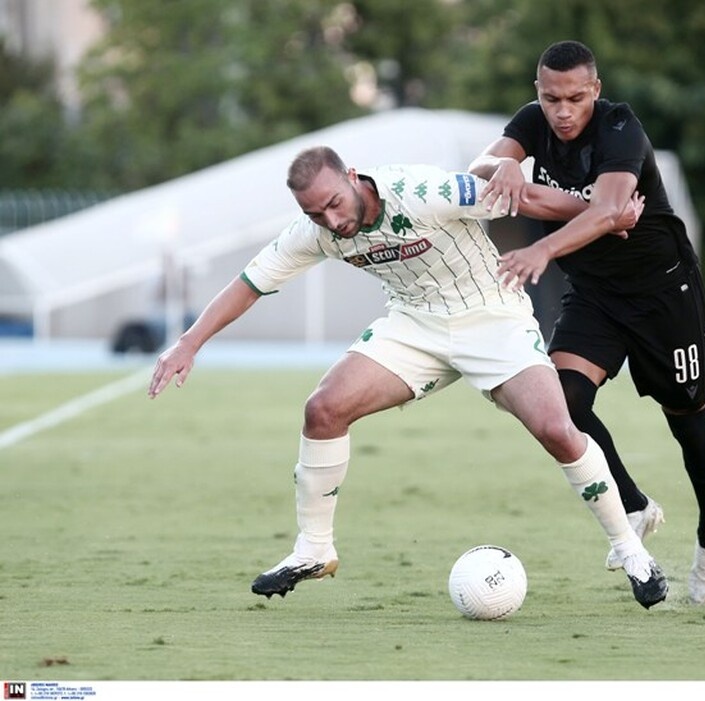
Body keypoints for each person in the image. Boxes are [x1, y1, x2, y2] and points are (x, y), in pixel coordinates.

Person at [148, 146, 669, 610]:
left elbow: (525, 199)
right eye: (315, 213)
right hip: (414, 324)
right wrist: (188, 343)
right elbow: (249, 283)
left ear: (352, 176)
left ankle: (631, 551)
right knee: (322, 409)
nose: (331, 220)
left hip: (492, 317)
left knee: (558, 430)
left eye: (334, 203)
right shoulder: (317, 234)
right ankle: (314, 550)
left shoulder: (424, 190)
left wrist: (606, 214)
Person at [469, 40, 705, 605]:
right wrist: (509, 164)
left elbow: (612, 211)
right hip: (596, 295)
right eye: (551, 98)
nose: (562, 111)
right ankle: (634, 505)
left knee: (687, 420)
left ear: (596, 91)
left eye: (574, 98)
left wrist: (543, 244)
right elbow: (479, 169)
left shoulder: (619, 127)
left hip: (663, 292)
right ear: (538, 92)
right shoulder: (533, 121)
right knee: (564, 402)